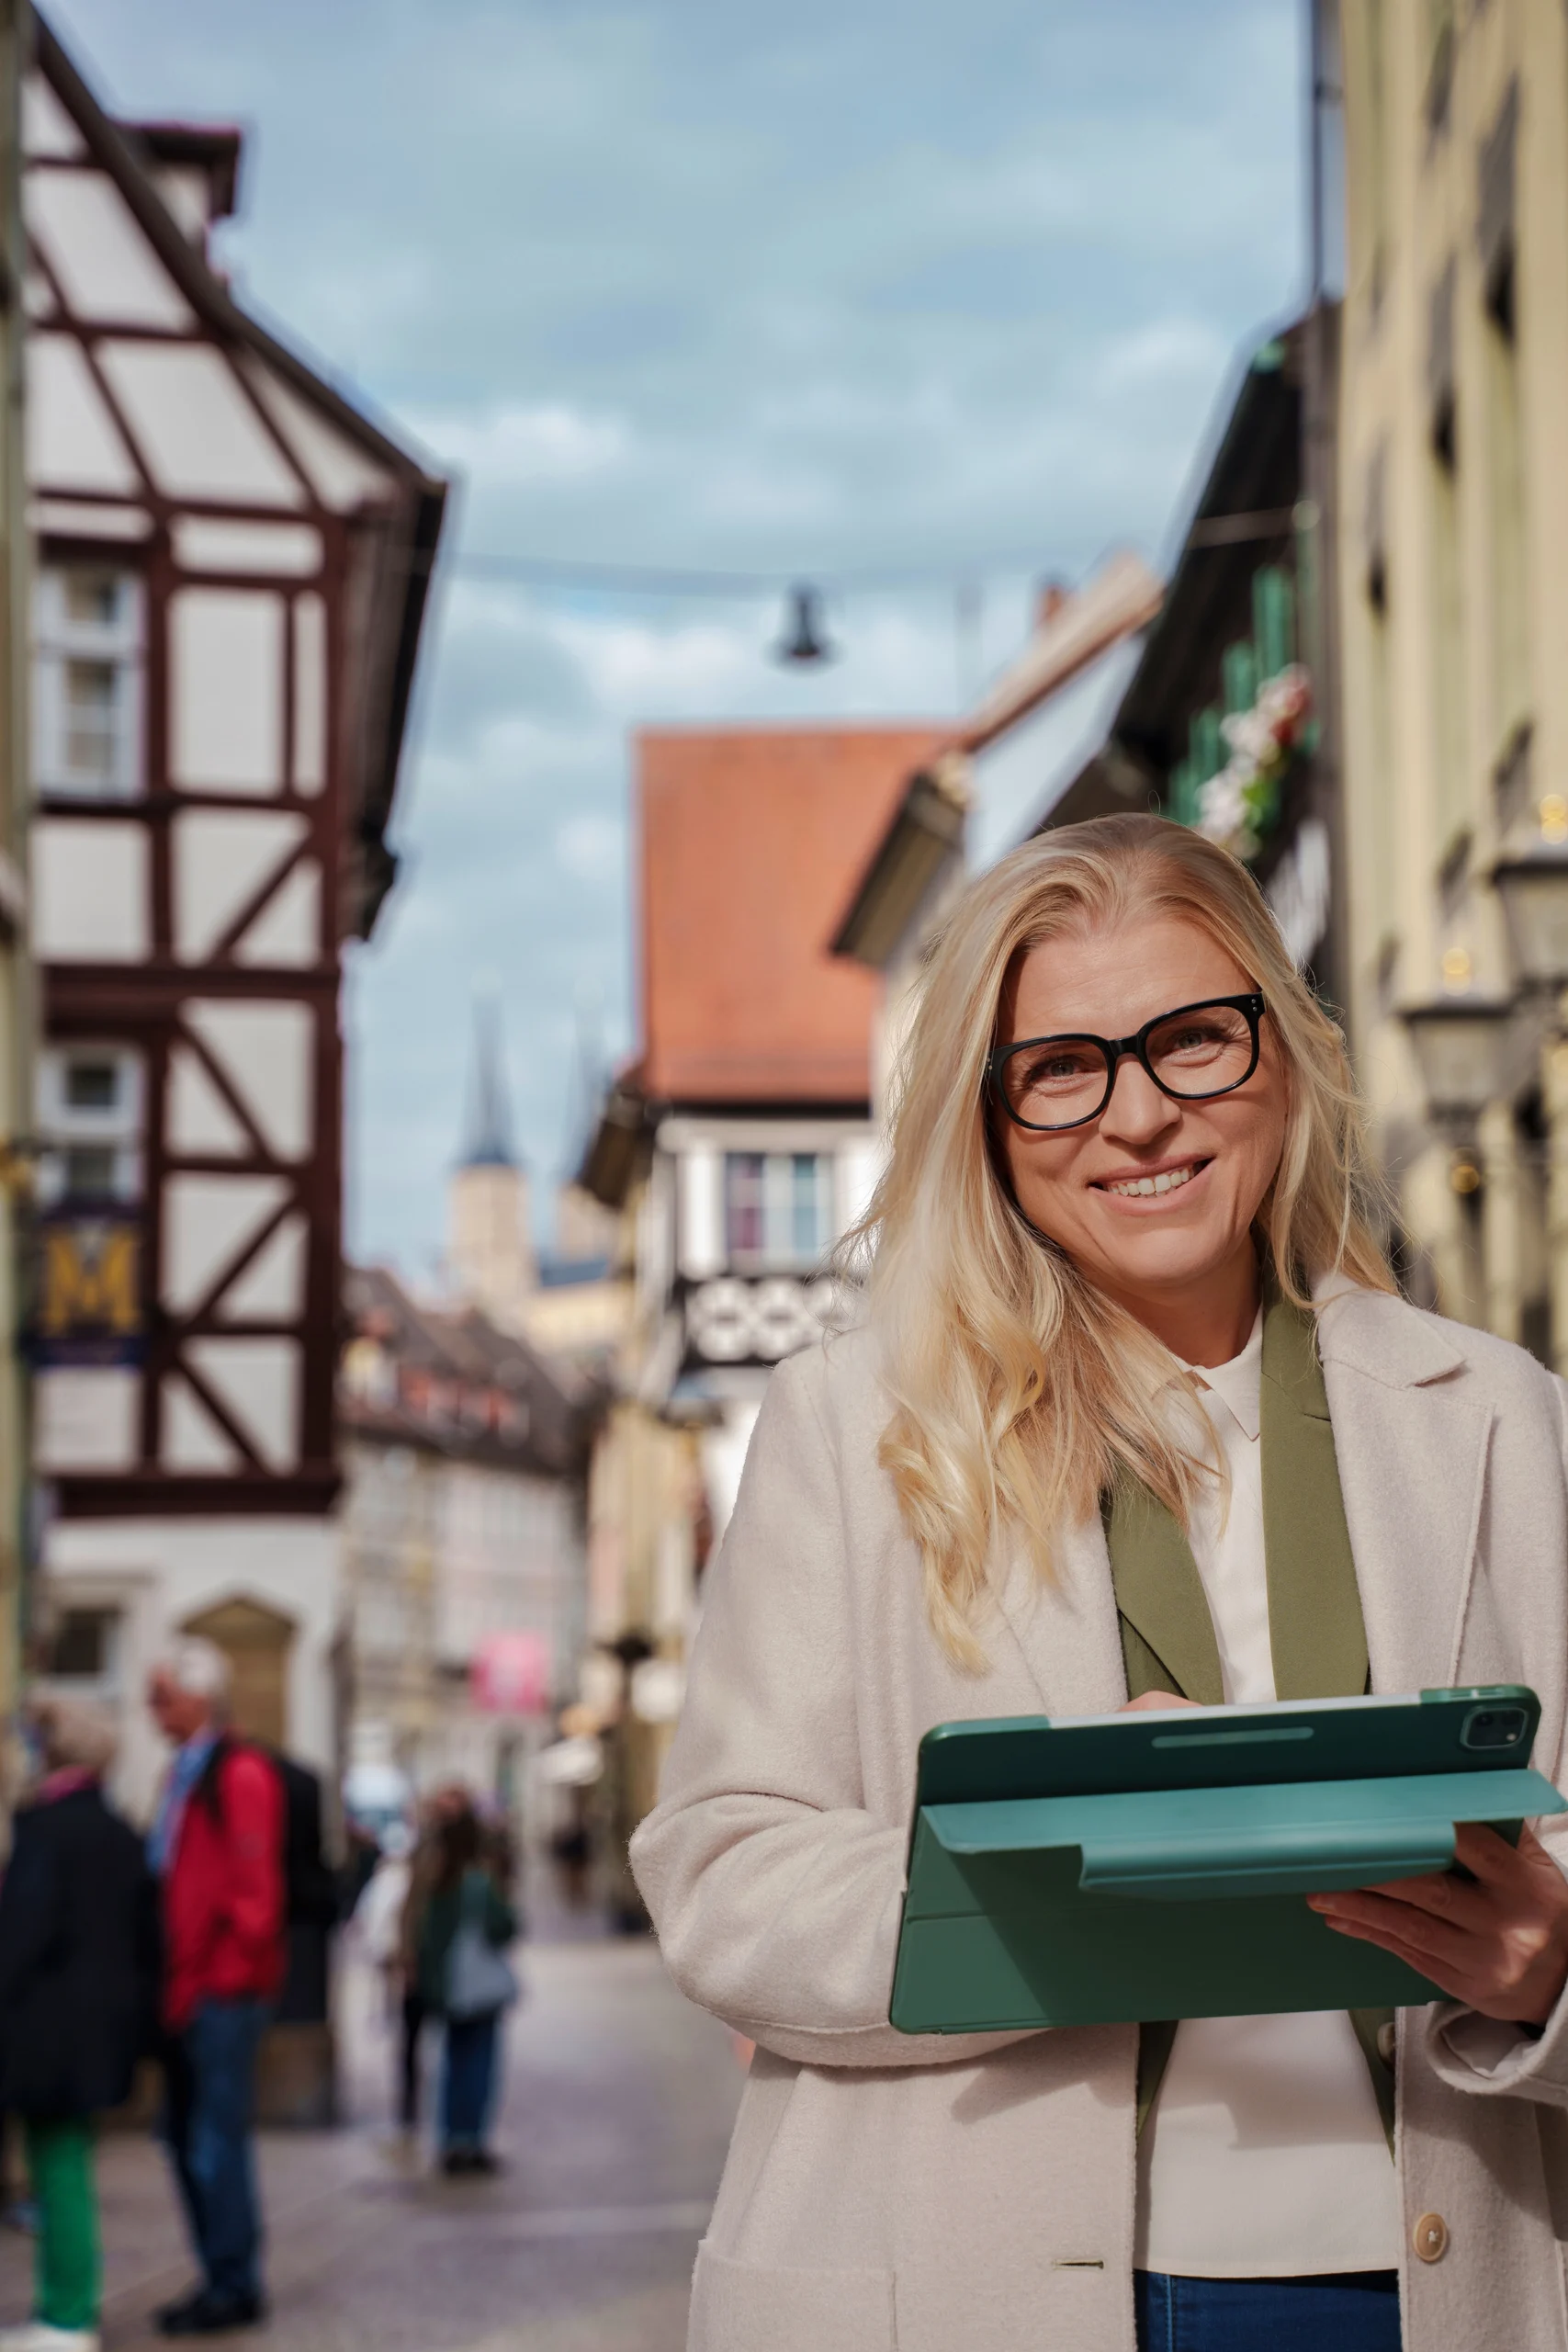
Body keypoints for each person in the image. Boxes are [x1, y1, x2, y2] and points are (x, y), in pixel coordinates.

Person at [631, 813, 1568, 2352]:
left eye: (1192, 1039)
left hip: (1433, 2284)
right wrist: (1029, 1864)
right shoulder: (854, 1424)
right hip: (973, 2282)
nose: (1136, 1115)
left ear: (1283, 1052)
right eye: (1061, 1066)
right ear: (988, 1118)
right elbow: (720, 1874)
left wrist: (1546, 1969)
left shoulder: (1497, 1415)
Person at [0, 1697, 158, 2352]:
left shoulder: (46, 1827)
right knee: (67, 2164)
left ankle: (66, 2314)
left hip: (48, 2027)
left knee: (57, 2165)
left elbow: (21, 1936)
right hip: (99, 2028)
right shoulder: (119, 1830)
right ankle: (67, 2306)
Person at [146, 1641, 285, 2338]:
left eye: (163, 1695)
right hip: (189, 1987)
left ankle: (232, 2281)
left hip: (220, 1990)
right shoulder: (183, 1771)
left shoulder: (238, 1772)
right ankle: (220, 2272)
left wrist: (218, 1978)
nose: (153, 1711)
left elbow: (255, 1900)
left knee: (213, 2139)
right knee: (187, 2136)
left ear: (200, 1698)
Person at [413, 1800, 517, 2176]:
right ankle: (472, 2139)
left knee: (452, 2062)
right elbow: (503, 1928)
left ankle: (450, 2138)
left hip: (446, 1987)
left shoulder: (433, 1881)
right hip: (479, 1989)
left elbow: (422, 1937)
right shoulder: (478, 1881)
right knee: (480, 2063)